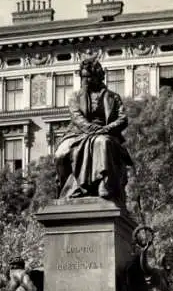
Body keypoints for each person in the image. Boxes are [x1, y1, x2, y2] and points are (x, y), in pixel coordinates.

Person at [54, 56, 133, 203]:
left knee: (102, 143)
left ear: (98, 76)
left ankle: (104, 183)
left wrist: (107, 128)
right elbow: (76, 117)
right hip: (77, 133)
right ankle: (64, 190)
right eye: (83, 77)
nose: (86, 80)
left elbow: (123, 119)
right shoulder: (75, 96)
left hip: (105, 132)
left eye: (89, 77)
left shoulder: (113, 97)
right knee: (60, 154)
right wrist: (91, 128)